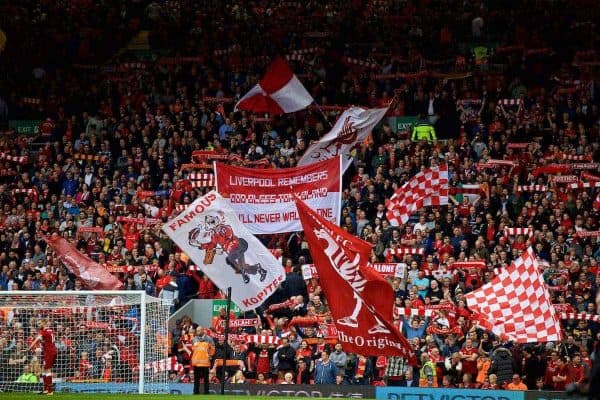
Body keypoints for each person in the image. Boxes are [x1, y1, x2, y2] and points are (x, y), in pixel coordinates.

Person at [27, 318, 57, 395]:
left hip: (49, 352)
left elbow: (36, 340)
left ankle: (50, 391)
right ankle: (45, 389)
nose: (38, 325)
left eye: (40, 323)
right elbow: (48, 341)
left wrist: (29, 348)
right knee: (44, 369)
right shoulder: (50, 331)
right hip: (50, 351)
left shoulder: (43, 331)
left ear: (44, 323)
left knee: (47, 370)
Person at [191, 326, 215, 395]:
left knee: (206, 379)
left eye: (198, 331)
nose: (197, 332)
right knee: (196, 379)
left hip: (205, 362)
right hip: (196, 362)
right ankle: (195, 392)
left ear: (202, 330)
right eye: (197, 331)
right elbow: (193, 349)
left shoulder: (209, 339)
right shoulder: (194, 339)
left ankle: (206, 392)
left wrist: (210, 355)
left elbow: (213, 348)